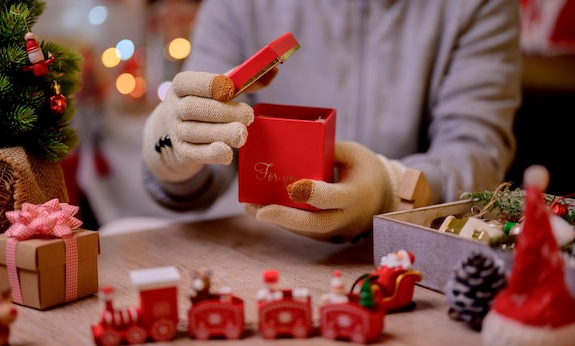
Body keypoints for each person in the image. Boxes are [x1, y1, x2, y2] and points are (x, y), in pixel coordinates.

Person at [142, 0, 522, 243]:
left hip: (412, 254)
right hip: (271, 250)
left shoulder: (480, 6)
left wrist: (391, 191)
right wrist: (171, 150)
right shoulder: (236, 6)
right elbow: (202, 172)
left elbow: (477, 153)